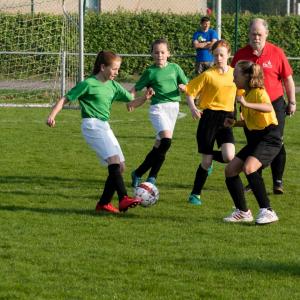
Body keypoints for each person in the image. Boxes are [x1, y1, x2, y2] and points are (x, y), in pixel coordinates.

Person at [47, 51, 153, 214]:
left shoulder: (113, 85)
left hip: (104, 126)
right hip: (91, 124)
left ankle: (104, 203)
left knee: (121, 167)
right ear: (103, 67)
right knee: (114, 161)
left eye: (118, 69)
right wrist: (52, 116)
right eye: (114, 69)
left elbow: (131, 102)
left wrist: (144, 98)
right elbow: (65, 99)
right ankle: (123, 198)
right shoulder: (88, 84)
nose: (117, 73)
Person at [231, 18, 296, 194]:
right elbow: (232, 81)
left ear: (266, 34)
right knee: (253, 143)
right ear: (249, 34)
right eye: (253, 34)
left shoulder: (276, 52)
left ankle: (277, 181)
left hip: (274, 104)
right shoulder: (241, 54)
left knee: (277, 142)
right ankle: (254, 181)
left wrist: (292, 101)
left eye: (259, 34)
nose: (256, 37)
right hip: (249, 105)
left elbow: (288, 78)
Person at [223, 60, 281, 224]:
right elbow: (252, 121)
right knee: (231, 170)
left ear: (247, 76)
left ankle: (268, 211)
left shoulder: (258, 92)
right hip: (257, 139)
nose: (234, 79)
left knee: (249, 167)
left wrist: (246, 104)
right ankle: (242, 211)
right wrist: (235, 123)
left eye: (236, 76)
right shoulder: (246, 94)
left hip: (270, 138)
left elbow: (269, 108)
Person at [130, 38, 188, 188]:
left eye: (162, 52)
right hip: (158, 109)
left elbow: (188, 85)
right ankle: (152, 176)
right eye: (156, 52)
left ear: (168, 53)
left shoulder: (175, 68)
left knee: (159, 145)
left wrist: (184, 87)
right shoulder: (150, 72)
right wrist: (129, 98)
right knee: (166, 141)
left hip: (173, 108)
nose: (159, 55)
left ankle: (138, 173)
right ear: (152, 54)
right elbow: (135, 89)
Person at [185, 39, 236, 205]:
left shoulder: (235, 74)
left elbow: (241, 94)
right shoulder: (208, 74)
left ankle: (211, 158)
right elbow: (189, 91)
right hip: (209, 118)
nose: (219, 58)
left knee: (229, 156)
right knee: (205, 163)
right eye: (215, 55)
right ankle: (195, 194)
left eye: (222, 54)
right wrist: (193, 107)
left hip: (227, 118)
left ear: (228, 54)